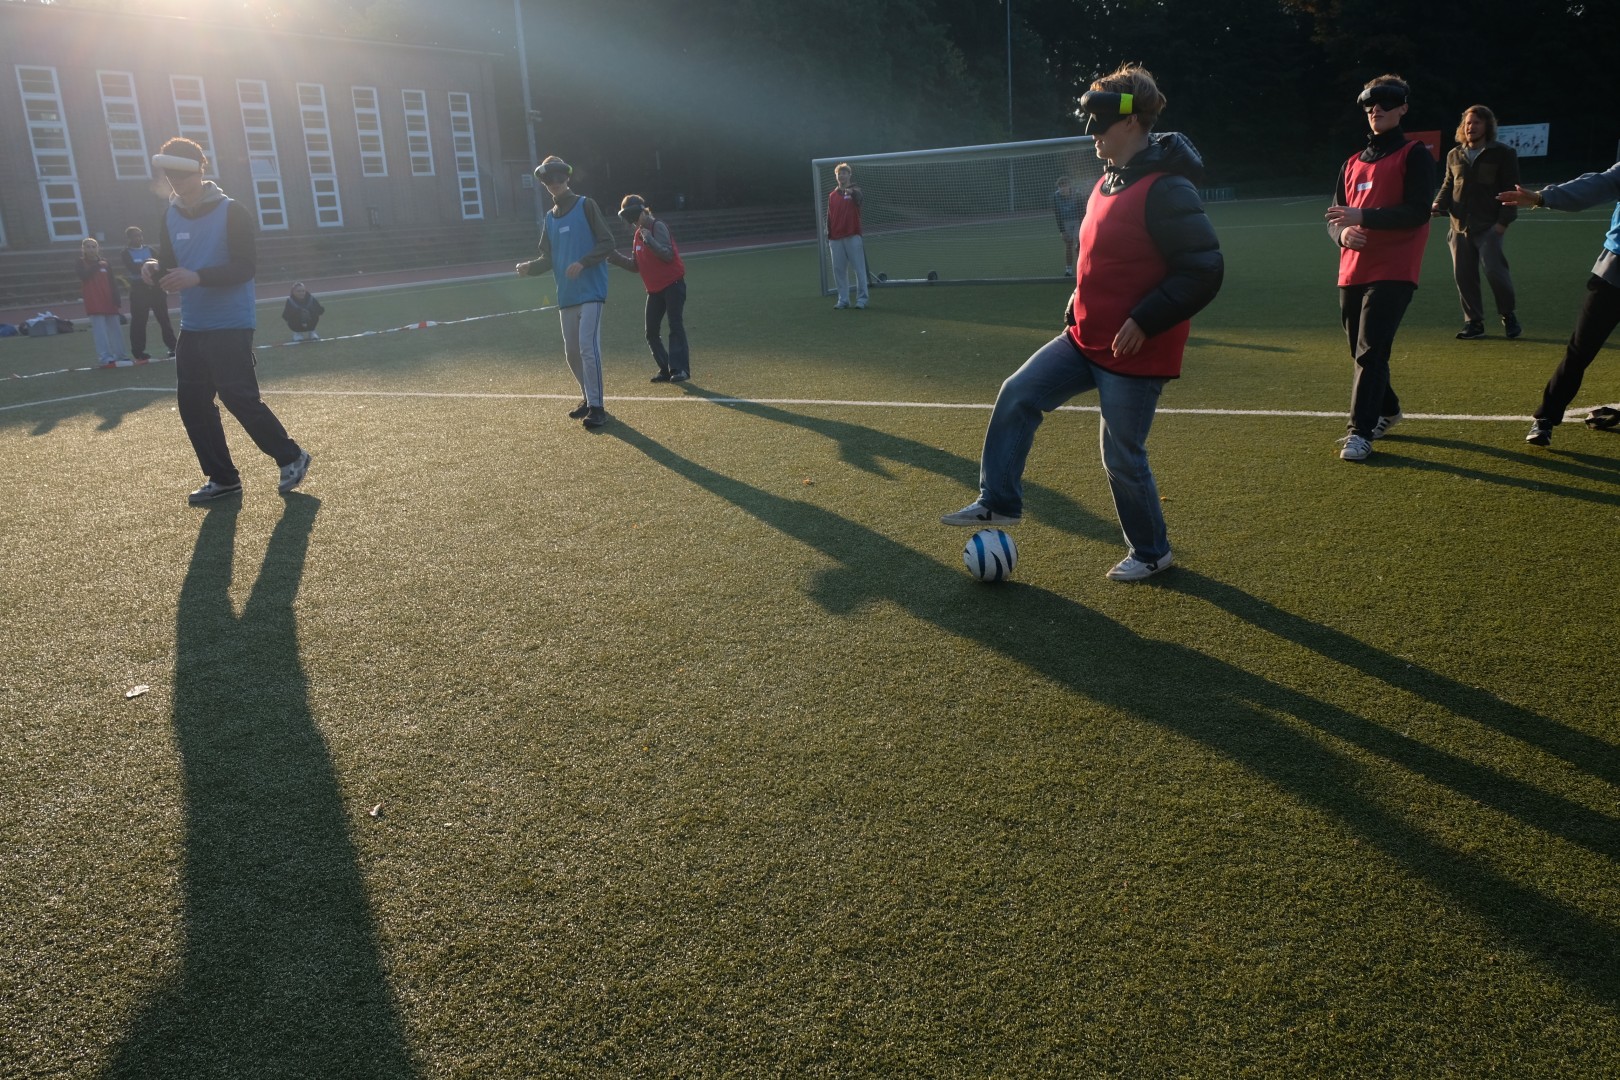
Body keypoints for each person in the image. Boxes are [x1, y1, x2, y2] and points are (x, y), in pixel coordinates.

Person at [941, 63, 1223, 582]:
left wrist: (1145, 319)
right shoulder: (1107, 180)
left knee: (1121, 455)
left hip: (1135, 349)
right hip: (1084, 336)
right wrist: (1079, 291)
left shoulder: (1168, 189)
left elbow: (1204, 270)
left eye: (1101, 123)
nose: (1092, 134)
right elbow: (1105, 253)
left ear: (1132, 121)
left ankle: (1152, 552)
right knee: (1018, 393)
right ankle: (998, 500)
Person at [150, 137, 310, 505]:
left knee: (238, 396)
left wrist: (197, 277)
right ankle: (222, 479)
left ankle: (291, 456)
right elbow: (170, 264)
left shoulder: (232, 211)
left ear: (199, 171)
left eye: (182, 174)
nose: (176, 182)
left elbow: (244, 267)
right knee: (192, 403)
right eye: (170, 175)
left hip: (231, 322)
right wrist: (154, 269)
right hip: (193, 325)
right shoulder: (170, 216)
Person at [1324, 74, 1436, 462]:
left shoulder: (1414, 154)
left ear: (1403, 108)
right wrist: (1342, 234)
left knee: (1371, 351)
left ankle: (1360, 432)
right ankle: (1389, 410)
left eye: (1387, 102)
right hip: (1352, 269)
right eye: (1370, 104)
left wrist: (1364, 216)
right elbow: (1335, 216)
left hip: (1394, 268)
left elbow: (1418, 211)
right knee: (1361, 352)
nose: (1377, 109)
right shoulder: (1351, 163)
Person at [1498, 163, 1620, 447]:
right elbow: (1597, 184)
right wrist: (1543, 197)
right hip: (1614, 274)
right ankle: (1545, 418)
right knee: (1580, 350)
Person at [516, 155, 615, 429]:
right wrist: (530, 267)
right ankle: (588, 398)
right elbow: (548, 258)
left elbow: (608, 242)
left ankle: (598, 408)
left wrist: (583, 262)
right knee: (572, 352)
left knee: (587, 348)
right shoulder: (550, 218)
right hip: (567, 296)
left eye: (558, 177)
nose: (554, 183)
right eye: (548, 179)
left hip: (591, 291)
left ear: (567, 177)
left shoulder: (586, 205)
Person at [1432, 105, 1521, 340]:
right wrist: (1438, 204)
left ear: (1487, 126)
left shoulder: (1503, 153)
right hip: (1458, 227)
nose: (1471, 127)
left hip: (1489, 225)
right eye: (1468, 123)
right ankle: (1473, 322)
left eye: (1477, 122)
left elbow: (1511, 190)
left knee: (1496, 273)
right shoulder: (1454, 155)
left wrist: (1503, 223)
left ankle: (1508, 315)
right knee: (1464, 277)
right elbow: (1448, 185)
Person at [607, 194, 690, 383]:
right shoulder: (638, 234)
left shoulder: (656, 227)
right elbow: (635, 266)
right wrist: (616, 258)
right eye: (629, 218)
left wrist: (650, 240)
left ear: (644, 211)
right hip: (654, 290)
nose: (633, 221)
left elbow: (668, 255)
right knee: (651, 331)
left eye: (634, 216)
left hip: (673, 284)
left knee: (675, 325)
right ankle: (666, 369)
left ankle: (680, 369)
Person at [121, 225, 176, 361]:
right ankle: (139, 352)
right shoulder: (126, 253)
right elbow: (133, 268)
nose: (139, 238)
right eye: (135, 236)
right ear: (129, 238)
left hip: (156, 288)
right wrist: (148, 265)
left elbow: (160, 264)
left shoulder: (150, 249)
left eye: (140, 235)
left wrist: (150, 266)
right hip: (139, 289)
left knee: (164, 319)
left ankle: (173, 347)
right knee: (139, 321)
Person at [75, 237, 128, 367]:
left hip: (109, 300)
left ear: (98, 248)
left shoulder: (106, 262)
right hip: (94, 301)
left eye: (94, 247)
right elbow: (84, 276)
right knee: (100, 332)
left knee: (116, 330)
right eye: (88, 247)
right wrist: (97, 265)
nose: (91, 249)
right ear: (83, 249)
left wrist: (116, 298)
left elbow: (112, 281)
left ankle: (121, 355)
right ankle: (105, 357)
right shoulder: (80, 262)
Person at [827, 162, 868, 310]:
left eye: (844, 173)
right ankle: (843, 300)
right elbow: (829, 216)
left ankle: (862, 299)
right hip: (836, 238)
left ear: (849, 175)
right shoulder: (832, 196)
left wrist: (852, 193)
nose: (842, 176)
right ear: (836, 176)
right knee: (839, 270)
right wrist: (829, 235)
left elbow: (859, 197)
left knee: (859, 269)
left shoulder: (855, 191)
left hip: (852, 235)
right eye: (839, 173)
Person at [1053, 176, 1083, 274]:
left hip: (1077, 221)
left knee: (1080, 244)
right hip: (1065, 221)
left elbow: (1082, 210)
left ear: (1069, 186)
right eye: (1061, 186)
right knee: (1068, 244)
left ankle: (1082, 267)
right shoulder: (1056, 196)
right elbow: (1057, 214)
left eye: (1065, 185)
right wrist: (1062, 231)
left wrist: (1082, 225)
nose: (1063, 188)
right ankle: (1068, 269)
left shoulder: (1077, 194)